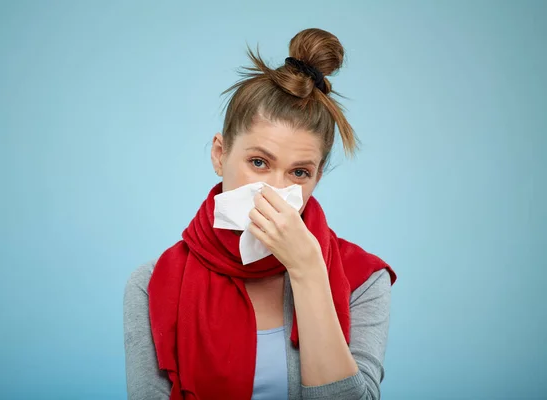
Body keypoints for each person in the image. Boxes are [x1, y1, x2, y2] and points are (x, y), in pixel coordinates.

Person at [123, 28, 397, 400]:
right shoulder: (153, 283)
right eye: (258, 162)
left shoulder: (363, 280)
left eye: (299, 172)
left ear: (317, 177)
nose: (273, 190)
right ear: (220, 155)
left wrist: (309, 273)